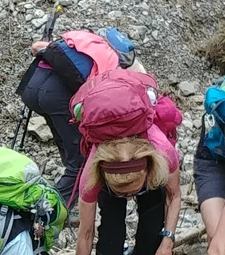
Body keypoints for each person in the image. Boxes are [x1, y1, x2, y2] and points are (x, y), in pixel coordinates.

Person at [18, 27, 137, 209]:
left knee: (66, 138)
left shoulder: (84, 38)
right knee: (82, 159)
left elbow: (37, 47)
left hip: (31, 88)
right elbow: (98, 98)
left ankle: (69, 172)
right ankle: (52, 209)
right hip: (56, 97)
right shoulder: (110, 60)